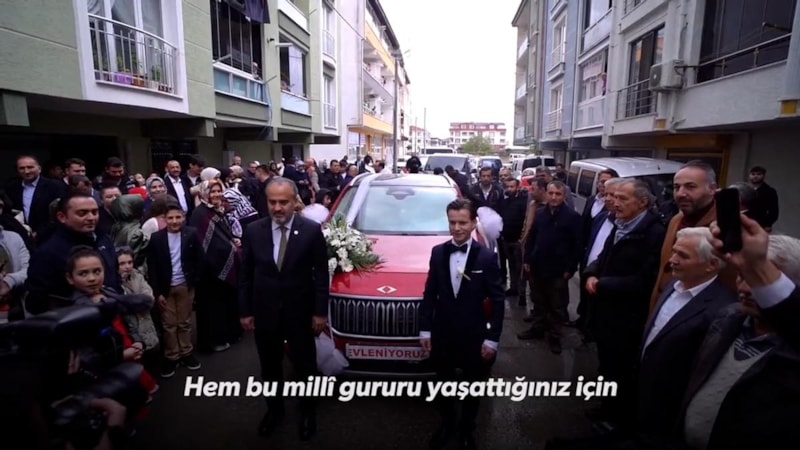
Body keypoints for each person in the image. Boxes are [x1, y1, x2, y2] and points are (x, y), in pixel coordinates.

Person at [239, 177, 329, 441]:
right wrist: (245, 311)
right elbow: (245, 275)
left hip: (300, 312)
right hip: (265, 312)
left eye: (283, 202)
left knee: (305, 365)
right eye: (272, 202)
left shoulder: (311, 231)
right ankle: (274, 410)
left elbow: (321, 274)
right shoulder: (253, 231)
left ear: (294, 201)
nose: (277, 208)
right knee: (269, 366)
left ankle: (308, 411)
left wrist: (320, 312)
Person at [419, 198, 505, 450]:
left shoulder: (486, 257)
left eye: (462, 223)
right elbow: (429, 293)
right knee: (443, 382)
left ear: (473, 223)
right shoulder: (437, 253)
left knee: (472, 384)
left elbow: (498, 300)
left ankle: (467, 428)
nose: (457, 228)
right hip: (443, 332)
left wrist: (492, 339)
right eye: (452, 222)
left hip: (473, 334)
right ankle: (447, 424)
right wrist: (425, 329)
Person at [148, 202, 203, 378]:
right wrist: (157, 292)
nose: (174, 221)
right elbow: (153, 267)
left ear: (183, 217)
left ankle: (186, 352)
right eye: (170, 218)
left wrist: (194, 280)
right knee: (169, 324)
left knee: (184, 322)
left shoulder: (191, 234)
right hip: (166, 287)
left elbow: (199, 258)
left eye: (178, 217)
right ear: (164, 219)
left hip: (185, 284)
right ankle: (172, 355)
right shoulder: (156, 238)